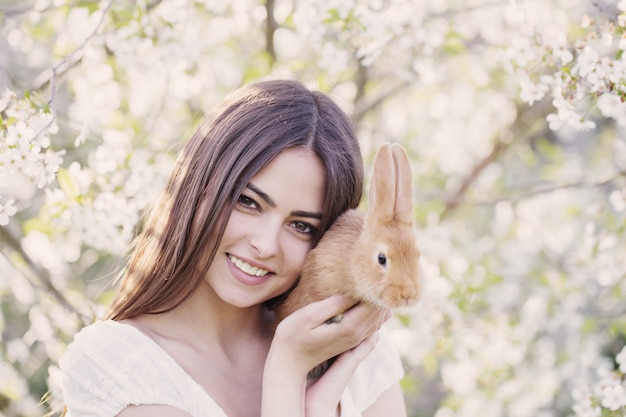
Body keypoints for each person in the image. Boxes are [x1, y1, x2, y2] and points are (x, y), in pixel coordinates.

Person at [59, 79, 408, 417]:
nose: (265, 245)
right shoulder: (122, 367)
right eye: (247, 201)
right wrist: (287, 371)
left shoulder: (353, 349)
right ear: (198, 184)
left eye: (301, 226)